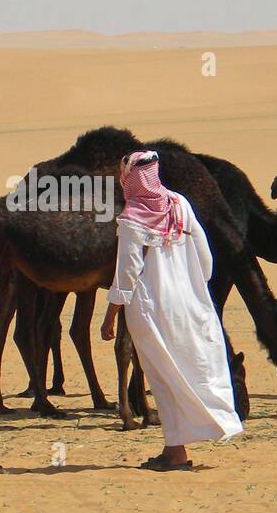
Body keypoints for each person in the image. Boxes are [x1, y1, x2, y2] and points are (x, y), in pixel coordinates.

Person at [100, 150, 243, 471]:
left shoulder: (132, 217)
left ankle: (175, 451)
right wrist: (194, 288)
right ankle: (187, 439)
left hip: (152, 307)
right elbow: (204, 255)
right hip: (190, 301)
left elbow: (127, 272)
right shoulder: (179, 204)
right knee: (192, 364)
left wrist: (110, 314)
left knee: (163, 376)